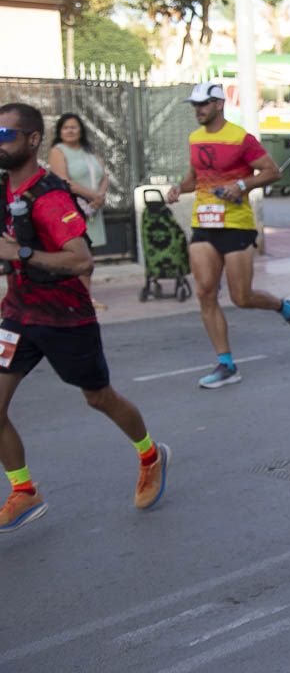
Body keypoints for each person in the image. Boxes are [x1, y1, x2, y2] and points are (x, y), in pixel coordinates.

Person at [0, 103, 169, 532]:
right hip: (18, 314)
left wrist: (17, 253)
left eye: (6, 136)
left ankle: (150, 455)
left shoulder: (51, 198)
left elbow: (81, 261)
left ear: (33, 140)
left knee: (99, 398)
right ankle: (23, 491)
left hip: (65, 318)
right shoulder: (5, 188)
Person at [166, 82, 290, 388]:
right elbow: (196, 177)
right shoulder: (194, 138)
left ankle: (285, 308)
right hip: (204, 221)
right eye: (194, 105)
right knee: (205, 291)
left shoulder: (241, 138)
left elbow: (273, 171)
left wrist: (242, 186)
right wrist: (179, 188)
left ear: (219, 104)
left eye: (203, 104)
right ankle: (226, 363)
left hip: (236, 222)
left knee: (241, 297)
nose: (198, 110)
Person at [46, 113, 108, 307]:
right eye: (66, 127)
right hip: (75, 209)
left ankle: (85, 294)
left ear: (81, 129)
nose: (70, 131)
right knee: (78, 252)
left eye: (74, 127)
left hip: (93, 209)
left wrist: (100, 196)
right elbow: (64, 181)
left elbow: (104, 176)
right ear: (59, 131)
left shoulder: (89, 152)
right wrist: (92, 195)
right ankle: (77, 296)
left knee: (90, 255)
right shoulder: (58, 151)